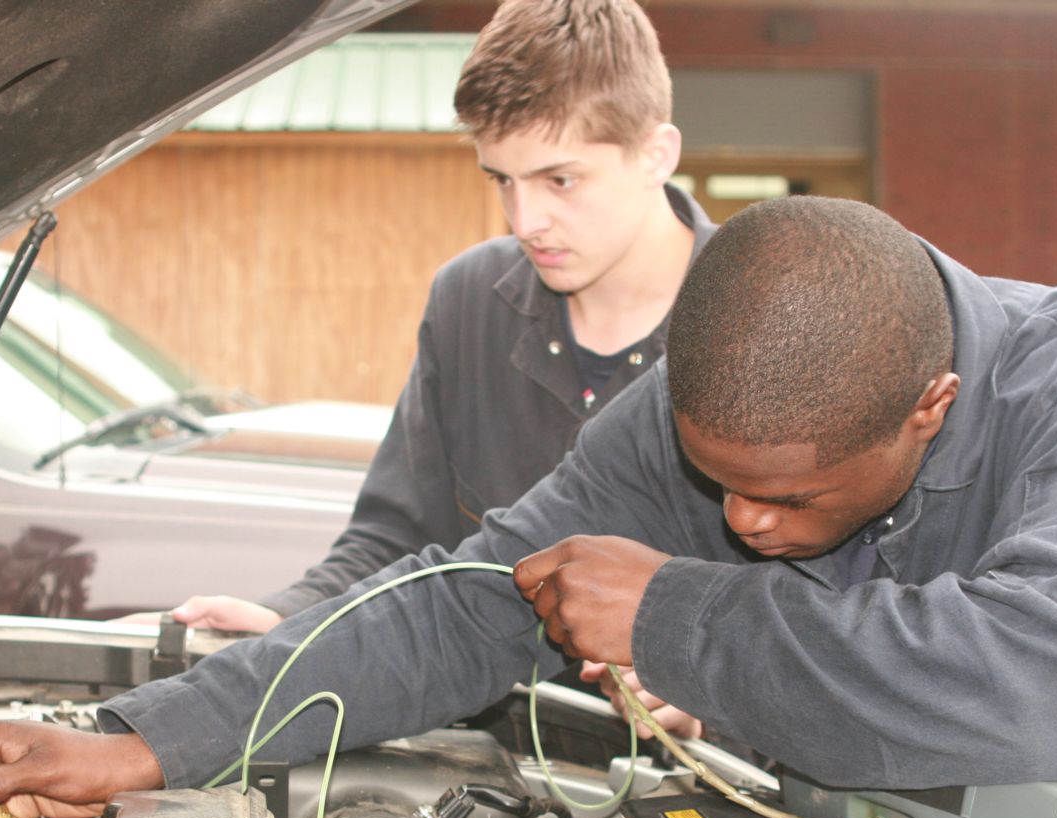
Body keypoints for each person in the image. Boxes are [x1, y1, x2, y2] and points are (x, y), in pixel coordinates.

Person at [0, 196, 1057, 818]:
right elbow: (463, 603)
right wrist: (142, 736)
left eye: (794, 500)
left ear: (928, 409)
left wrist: (681, 614)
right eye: (718, 483)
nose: (749, 521)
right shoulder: (699, 411)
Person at [159, 0, 715, 637]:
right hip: (483, 726)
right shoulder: (469, 300)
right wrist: (289, 619)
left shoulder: (756, 320)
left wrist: (694, 669)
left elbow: (808, 605)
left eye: (559, 180)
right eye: (502, 181)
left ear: (655, 154)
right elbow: (397, 536)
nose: (524, 220)